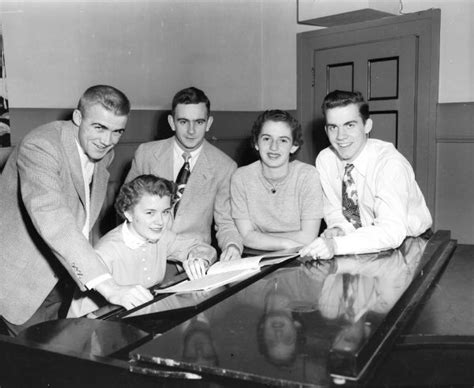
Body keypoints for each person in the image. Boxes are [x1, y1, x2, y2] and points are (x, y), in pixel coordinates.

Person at [0, 85, 153, 336]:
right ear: (78, 118)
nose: (107, 140)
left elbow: (82, 216)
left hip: (64, 277)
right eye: (99, 127)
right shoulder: (41, 146)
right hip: (20, 281)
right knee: (42, 365)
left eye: (117, 131)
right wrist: (109, 286)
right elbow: (52, 218)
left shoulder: (104, 154)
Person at [300, 90, 432, 260]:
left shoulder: (390, 164)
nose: (341, 137)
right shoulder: (325, 159)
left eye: (350, 125)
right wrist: (340, 228)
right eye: (333, 127)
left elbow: (391, 232)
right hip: (360, 241)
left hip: (409, 243)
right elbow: (334, 209)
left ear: (367, 126)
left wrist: (336, 245)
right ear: (326, 130)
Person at [68, 175, 217, 317]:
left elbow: (202, 248)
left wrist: (199, 260)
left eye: (165, 212)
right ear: (128, 213)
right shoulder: (106, 252)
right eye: (150, 213)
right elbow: (83, 318)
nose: (160, 222)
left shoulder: (161, 237)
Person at [126, 86, 242, 261]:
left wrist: (232, 246)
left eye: (199, 122)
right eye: (183, 121)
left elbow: (225, 222)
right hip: (145, 256)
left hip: (192, 260)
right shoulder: (146, 154)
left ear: (209, 123)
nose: (191, 130)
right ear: (172, 122)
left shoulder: (224, 166)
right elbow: (125, 209)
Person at [230, 110, 323, 251]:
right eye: (267, 139)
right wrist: (285, 244)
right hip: (255, 256)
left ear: (294, 146)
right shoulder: (241, 177)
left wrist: (261, 238)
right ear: (256, 143)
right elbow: (246, 236)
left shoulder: (307, 176)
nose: (274, 147)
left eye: (283, 140)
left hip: (300, 255)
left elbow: (309, 236)